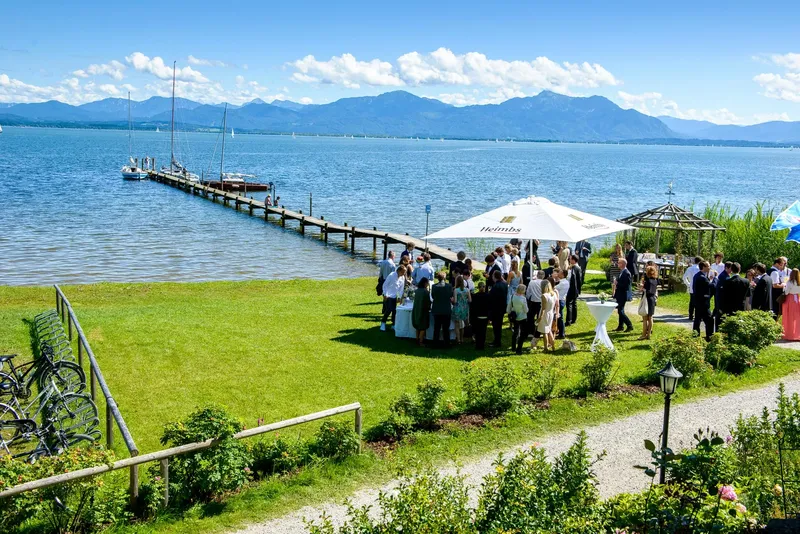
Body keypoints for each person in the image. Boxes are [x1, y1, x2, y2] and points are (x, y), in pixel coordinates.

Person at [692, 261, 714, 341]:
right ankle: (709, 336)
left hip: (698, 301)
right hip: (703, 303)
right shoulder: (702, 277)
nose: (709, 267)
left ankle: (695, 336)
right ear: (703, 267)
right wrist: (715, 278)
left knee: (697, 320)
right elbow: (711, 285)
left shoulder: (697, 275)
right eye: (708, 266)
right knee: (709, 320)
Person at [430, 271, 453, 348]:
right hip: (446, 309)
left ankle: (435, 343)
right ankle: (447, 343)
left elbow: (433, 296)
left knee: (436, 328)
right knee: (446, 328)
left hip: (437, 309)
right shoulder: (449, 286)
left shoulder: (434, 286)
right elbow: (451, 295)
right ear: (445, 278)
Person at [380, 265, 406, 331]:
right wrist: (385, 294)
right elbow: (385, 285)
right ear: (399, 271)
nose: (404, 274)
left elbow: (401, 288)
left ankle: (393, 325)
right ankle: (383, 323)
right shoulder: (391, 275)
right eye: (403, 272)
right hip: (388, 295)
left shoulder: (402, 277)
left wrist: (399, 297)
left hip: (394, 296)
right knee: (388, 310)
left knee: (394, 311)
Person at [612, 258, 634, 332]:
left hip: (623, 294)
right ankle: (620, 326)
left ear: (623, 264)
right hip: (619, 293)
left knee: (620, 311)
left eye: (619, 263)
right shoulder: (622, 271)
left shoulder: (626, 273)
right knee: (620, 310)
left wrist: (617, 283)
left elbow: (626, 285)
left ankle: (629, 325)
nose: (618, 264)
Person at [507, 285, 529, 354]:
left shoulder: (512, 296)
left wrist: (509, 312)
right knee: (522, 334)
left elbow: (509, 307)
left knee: (515, 332)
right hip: (522, 317)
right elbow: (526, 310)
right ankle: (519, 349)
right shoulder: (523, 299)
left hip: (515, 317)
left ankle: (513, 347)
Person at [489, 270, 508, 347]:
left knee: (496, 326)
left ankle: (497, 341)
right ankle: (497, 340)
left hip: (496, 308)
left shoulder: (496, 286)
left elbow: (492, 298)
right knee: (499, 325)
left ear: (494, 277)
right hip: (502, 307)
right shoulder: (504, 284)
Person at [640, 264, 658, 340]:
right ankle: (649, 334)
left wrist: (642, 288)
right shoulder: (655, 280)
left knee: (645, 318)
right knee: (650, 317)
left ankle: (644, 334)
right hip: (652, 299)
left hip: (647, 299)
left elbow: (648, 291)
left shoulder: (648, 281)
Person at [538, 280, 557, 351]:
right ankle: (553, 347)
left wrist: (540, 317)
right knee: (549, 330)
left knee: (545, 332)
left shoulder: (544, 296)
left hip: (545, 314)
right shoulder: (554, 294)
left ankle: (546, 348)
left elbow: (543, 308)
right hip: (551, 313)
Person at [411, 277, 431, 346]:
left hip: (416, 310)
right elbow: (428, 302)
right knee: (423, 327)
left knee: (417, 326)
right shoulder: (426, 292)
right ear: (425, 283)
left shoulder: (417, 291)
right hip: (423, 311)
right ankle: (420, 341)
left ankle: (417, 339)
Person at [713, 261, 732, 330]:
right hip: (721, 302)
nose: (732, 270)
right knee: (719, 318)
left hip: (722, 301)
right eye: (731, 268)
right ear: (726, 268)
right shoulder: (724, 277)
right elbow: (720, 292)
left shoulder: (726, 275)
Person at [452, 275, 471, 344]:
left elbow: (455, 301)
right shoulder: (467, 290)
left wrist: (452, 300)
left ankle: (458, 339)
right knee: (463, 324)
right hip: (465, 308)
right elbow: (470, 300)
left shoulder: (456, 290)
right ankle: (462, 339)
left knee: (457, 325)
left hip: (457, 308)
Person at [471, 282, 490, 349]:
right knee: (483, 331)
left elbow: (473, 308)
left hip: (477, 316)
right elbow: (489, 307)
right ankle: (482, 345)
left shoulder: (475, 296)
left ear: (478, 288)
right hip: (485, 316)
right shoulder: (488, 296)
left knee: (478, 331)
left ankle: (478, 345)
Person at [526, 270, 545, 337]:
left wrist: (527, 299)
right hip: (541, 302)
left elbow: (528, 292)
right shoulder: (544, 283)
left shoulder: (532, 282)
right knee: (540, 317)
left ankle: (531, 331)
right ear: (543, 276)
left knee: (530, 317)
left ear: (537, 275)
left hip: (533, 301)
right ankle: (539, 332)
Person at [783, 269, 800, 341]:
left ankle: (789, 334)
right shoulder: (799, 282)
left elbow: (786, 292)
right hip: (797, 298)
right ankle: (797, 334)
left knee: (789, 317)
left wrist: (784, 287)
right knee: (797, 317)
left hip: (790, 299)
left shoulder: (789, 282)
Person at [566, 254, 583, 326]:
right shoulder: (577, 267)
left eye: (570, 259)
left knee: (569, 304)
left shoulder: (574, 268)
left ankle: (569, 320)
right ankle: (573, 319)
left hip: (572, 289)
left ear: (573, 260)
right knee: (574, 304)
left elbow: (572, 279)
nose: (569, 260)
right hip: (575, 289)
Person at [554, 269, 570, 339]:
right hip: (562, 300)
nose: (558, 274)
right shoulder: (565, 282)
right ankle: (560, 331)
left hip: (560, 300)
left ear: (563, 275)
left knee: (559, 317)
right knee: (560, 317)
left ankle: (561, 333)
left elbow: (554, 288)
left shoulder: (562, 283)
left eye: (559, 273)